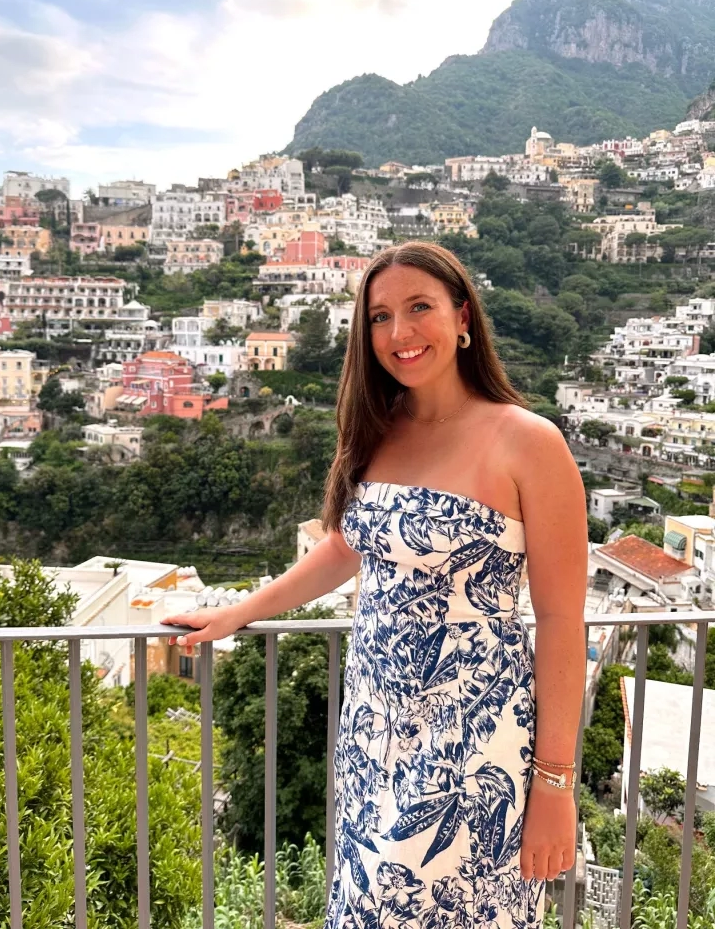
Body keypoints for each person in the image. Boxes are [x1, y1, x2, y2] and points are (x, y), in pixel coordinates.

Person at [162, 241, 588, 929]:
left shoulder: (529, 442)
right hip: (372, 731)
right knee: (369, 904)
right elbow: (345, 546)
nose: (399, 332)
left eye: (419, 307)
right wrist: (240, 609)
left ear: (462, 317)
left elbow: (565, 620)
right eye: (380, 316)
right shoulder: (379, 431)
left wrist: (554, 783)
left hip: (472, 745)